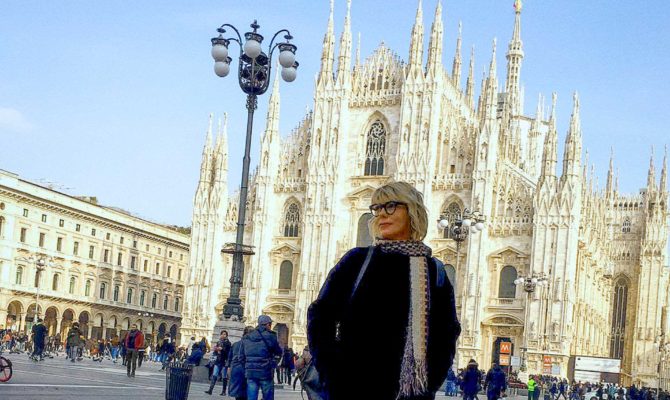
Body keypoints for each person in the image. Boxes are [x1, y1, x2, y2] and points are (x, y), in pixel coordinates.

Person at [307, 181, 461, 400]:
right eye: (377, 208)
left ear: (412, 211)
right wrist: (335, 374)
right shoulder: (358, 261)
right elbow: (321, 316)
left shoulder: (433, 270)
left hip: (410, 394)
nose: (381, 214)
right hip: (353, 389)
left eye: (390, 206)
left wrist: (429, 383)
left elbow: (446, 333)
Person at [241, 315, 282, 400]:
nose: (270, 326)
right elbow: (278, 352)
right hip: (265, 370)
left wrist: (247, 366)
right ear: (267, 324)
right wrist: (274, 363)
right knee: (267, 397)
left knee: (251, 397)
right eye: (270, 324)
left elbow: (241, 356)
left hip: (251, 372)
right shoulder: (271, 336)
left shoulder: (247, 337)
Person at [229, 326, 253, 400]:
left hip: (236, 369)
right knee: (246, 392)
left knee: (238, 393)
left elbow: (230, 358)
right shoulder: (252, 345)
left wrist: (229, 368)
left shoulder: (235, 344)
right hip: (247, 369)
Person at [205, 330, 232, 396]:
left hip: (224, 361)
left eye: (225, 334)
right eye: (222, 334)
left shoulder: (228, 343)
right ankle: (210, 390)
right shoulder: (218, 342)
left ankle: (224, 391)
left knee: (224, 376)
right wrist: (216, 349)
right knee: (214, 375)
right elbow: (216, 351)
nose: (223, 335)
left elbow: (228, 352)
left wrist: (222, 349)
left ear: (227, 335)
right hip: (218, 361)